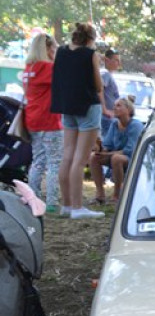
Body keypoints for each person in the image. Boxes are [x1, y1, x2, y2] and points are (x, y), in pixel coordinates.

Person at [50, 22, 105, 219]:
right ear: (90, 39)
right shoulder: (91, 55)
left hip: (67, 107)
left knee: (67, 156)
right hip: (88, 107)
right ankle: (78, 207)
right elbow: (98, 85)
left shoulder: (61, 52)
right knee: (80, 160)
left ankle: (66, 204)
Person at [20, 33, 63, 213]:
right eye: (53, 47)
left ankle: (33, 196)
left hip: (32, 119)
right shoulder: (48, 68)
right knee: (55, 162)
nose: (55, 50)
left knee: (38, 160)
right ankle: (52, 202)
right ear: (47, 48)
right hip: (49, 119)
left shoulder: (29, 68)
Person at [88, 96, 142, 204]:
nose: (114, 108)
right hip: (115, 156)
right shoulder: (114, 124)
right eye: (114, 106)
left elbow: (129, 150)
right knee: (93, 157)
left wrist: (108, 154)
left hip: (133, 158)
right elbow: (107, 145)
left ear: (129, 110)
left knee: (116, 158)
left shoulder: (135, 125)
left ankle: (117, 195)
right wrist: (99, 148)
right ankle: (100, 195)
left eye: (118, 105)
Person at [99, 48, 121, 134]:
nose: (118, 63)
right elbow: (99, 90)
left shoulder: (108, 74)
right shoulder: (105, 74)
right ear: (107, 60)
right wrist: (104, 109)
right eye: (116, 60)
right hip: (106, 116)